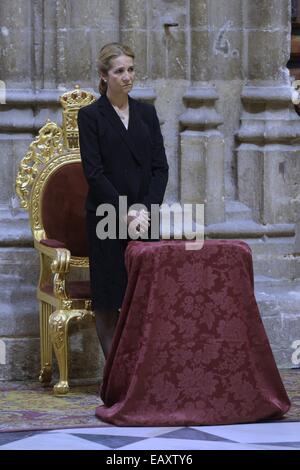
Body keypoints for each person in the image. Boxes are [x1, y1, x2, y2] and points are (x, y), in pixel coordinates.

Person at [77, 42, 169, 358]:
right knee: (108, 299)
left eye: (131, 69)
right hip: (107, 215)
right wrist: (125, 212)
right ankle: (116, 378)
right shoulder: (91, 116)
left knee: (144, 298)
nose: (127, 77)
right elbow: (94, 173)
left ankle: (141, 372)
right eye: (119, 71)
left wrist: (145, 209)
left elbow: (160, 167)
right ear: (104, 76)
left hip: (145, 217)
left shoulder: (147, 113)